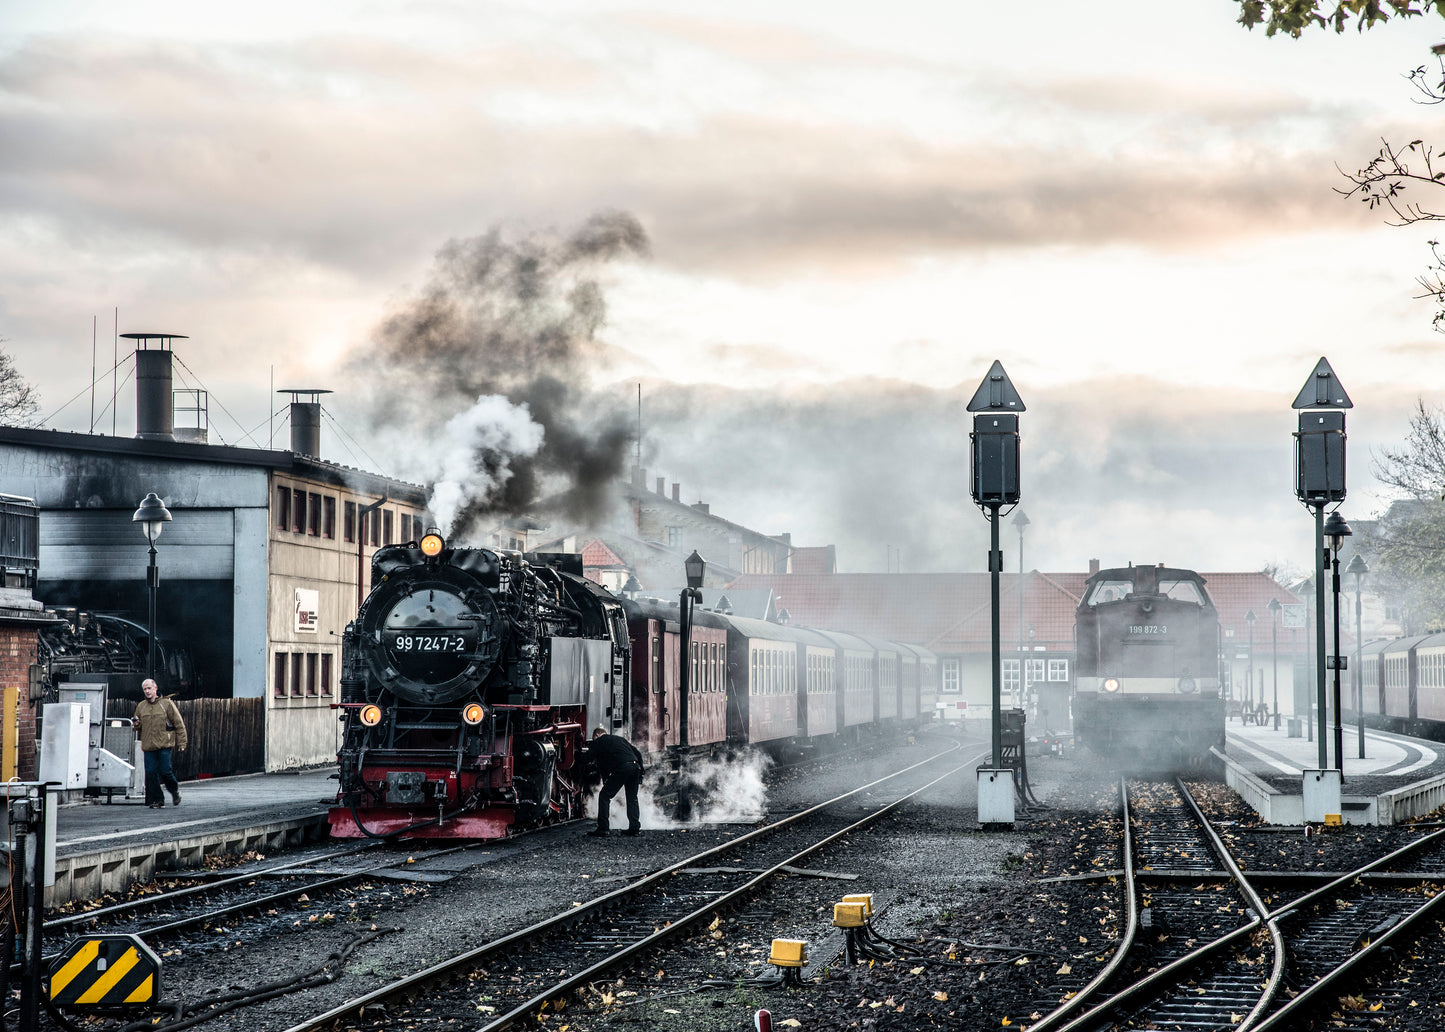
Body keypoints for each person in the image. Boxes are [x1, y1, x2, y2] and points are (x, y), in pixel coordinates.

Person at [133, 678, 187, 809]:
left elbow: (178, 724)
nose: (147, 691)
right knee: (150, 773)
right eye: (145, 689)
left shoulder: (166, 704)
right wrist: (136, 724)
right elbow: (138, 726)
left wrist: (182, 742)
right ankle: (158, 799)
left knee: (165, 771)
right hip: (149, 745)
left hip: (164, 744)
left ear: (155, 688)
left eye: (149, 688)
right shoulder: (141, 706)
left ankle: (174, 791)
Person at [587, 726, 643, 837]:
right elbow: (637, 753)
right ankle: (634, 828)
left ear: (597, 735)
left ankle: (603, 828)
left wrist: (577, 756)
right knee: (632, 798)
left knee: (604, 796)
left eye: (594, 738)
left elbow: (592, 760)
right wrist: (641, 772)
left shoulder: (598, 742)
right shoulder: (620, 739)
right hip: (635, 766)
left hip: (623, 768)